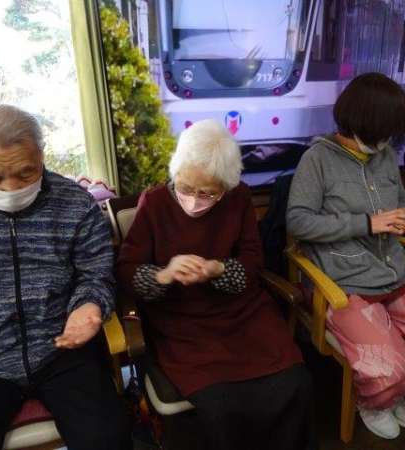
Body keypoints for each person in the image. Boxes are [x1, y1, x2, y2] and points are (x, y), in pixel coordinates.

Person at [0, 105, 131, 450]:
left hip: (63, 351)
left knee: (109, 438)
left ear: (41, 153)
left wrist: (90, 304)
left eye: (26, 172)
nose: (10, 188)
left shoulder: (74, 203)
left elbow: (96, 272)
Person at [286, 73, 405, 440]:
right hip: (344, 282)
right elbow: (299, 222)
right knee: (389, 365)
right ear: (359, 121)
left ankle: (397, 388)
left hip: (394, 275)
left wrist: (401, 219)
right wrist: (368, 223)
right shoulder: (317, 160)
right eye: (384, 132)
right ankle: (375, 400)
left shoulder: (385, 156)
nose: (388, 141)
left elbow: (397, 204)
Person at [117, 119, 316, 450]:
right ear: (175, 172)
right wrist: (165, 274)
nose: (194, 200)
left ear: (225, 186)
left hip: (241, 314)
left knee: (294, 381)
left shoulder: (238, 198)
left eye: (208, 193)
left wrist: (218, 269)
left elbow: (253, 261)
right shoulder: (154, 203)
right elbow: (126, 270)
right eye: (185, 188)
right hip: (182, 321)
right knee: (221, 402)